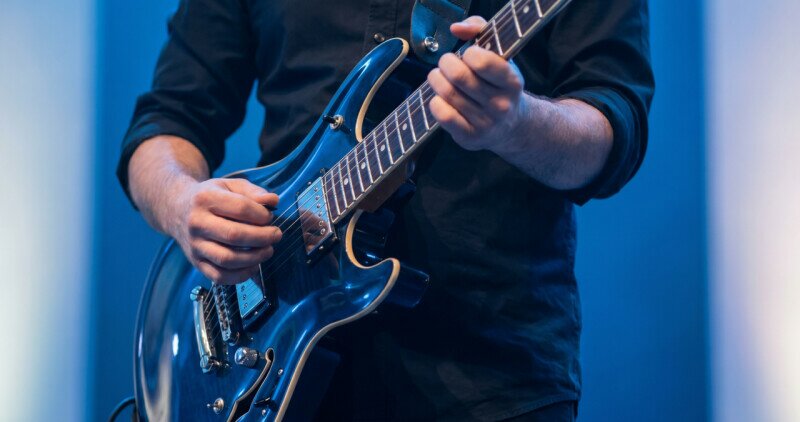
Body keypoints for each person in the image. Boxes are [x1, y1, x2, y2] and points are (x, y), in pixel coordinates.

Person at [117, 0, 654, 420]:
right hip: (271, 369)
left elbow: (613, 126)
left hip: (489, 373)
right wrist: (182, 202)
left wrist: (516, 123)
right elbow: (169, 117)